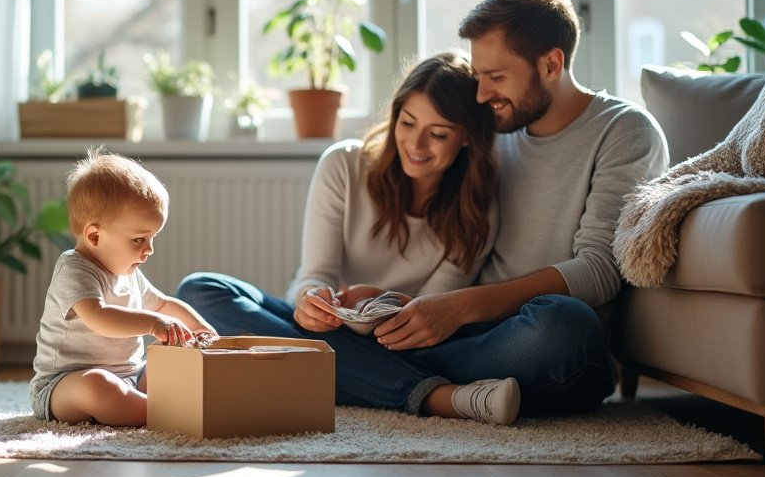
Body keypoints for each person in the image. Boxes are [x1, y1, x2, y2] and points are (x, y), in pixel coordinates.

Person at [178, 0, 668, 425]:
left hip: (519, 344)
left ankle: (348, 376)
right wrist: (389, 308)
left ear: (552, 64)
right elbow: (382, 288)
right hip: (448, 342)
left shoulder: (622, 132)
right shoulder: (494, 131)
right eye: (478, 76)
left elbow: (600, 270)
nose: (480, 95)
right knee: (203, 294)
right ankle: (434, 393)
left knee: (562, 326)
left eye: (495, 76)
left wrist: (455, 308)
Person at [178, 51, 521, 423]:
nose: (416, 145)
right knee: (200, 292)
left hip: (406, 344)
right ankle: (438, 396)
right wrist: (312, 304)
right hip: (323, 332)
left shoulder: (477, 206)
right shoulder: (343, 164)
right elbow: (315, 274)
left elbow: (433, 314)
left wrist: (378, 303)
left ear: (468, 138)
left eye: (438, 134)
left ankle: (321, 378)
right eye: (407, 123)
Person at [31, 149, 217, 427]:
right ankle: (168, 413)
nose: (149, 249)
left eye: (153, 238)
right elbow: (100, 318)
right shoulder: (74, 269)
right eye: (139, 239)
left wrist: (202, 329)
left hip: (132, 375)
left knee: (173, 354)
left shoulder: (129, 273)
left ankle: (163, 402)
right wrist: (154, 324)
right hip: (65, 385)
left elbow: (164, 304)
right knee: (98, 385)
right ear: (94, 236)